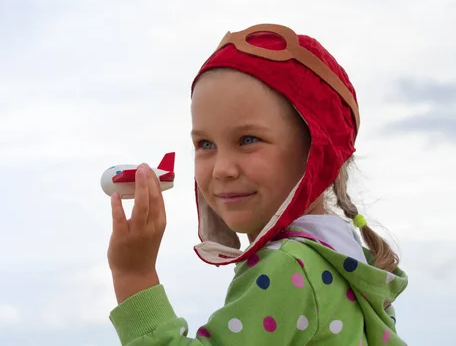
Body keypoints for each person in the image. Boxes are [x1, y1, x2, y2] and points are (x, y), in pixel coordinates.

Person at [106, 23, 409, 345]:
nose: (222, 169)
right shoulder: (343, 259)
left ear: (316, 153)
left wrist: (133, 276)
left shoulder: (290, 267)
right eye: (206, 144)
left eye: (248, 140)